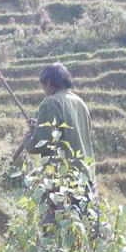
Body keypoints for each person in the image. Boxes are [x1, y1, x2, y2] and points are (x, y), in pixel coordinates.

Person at [23, 62, 96, 224]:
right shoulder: (80, 103)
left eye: (43, 85)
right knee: (86, 231)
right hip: (86, 176)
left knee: (54, 231)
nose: (44, 91)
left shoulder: (51, 103)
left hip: (61, 181)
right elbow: (67, 133)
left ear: (49, 82)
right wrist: (39, 126)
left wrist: (28, 137)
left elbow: (40, 143)